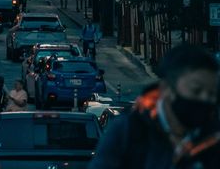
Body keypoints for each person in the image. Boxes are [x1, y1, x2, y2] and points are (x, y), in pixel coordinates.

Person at [92, 43, 220, 169]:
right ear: (166, 88)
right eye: (196, 90)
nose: (204, 99)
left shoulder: (213, 139)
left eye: (211, 93)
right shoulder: (128, 131)